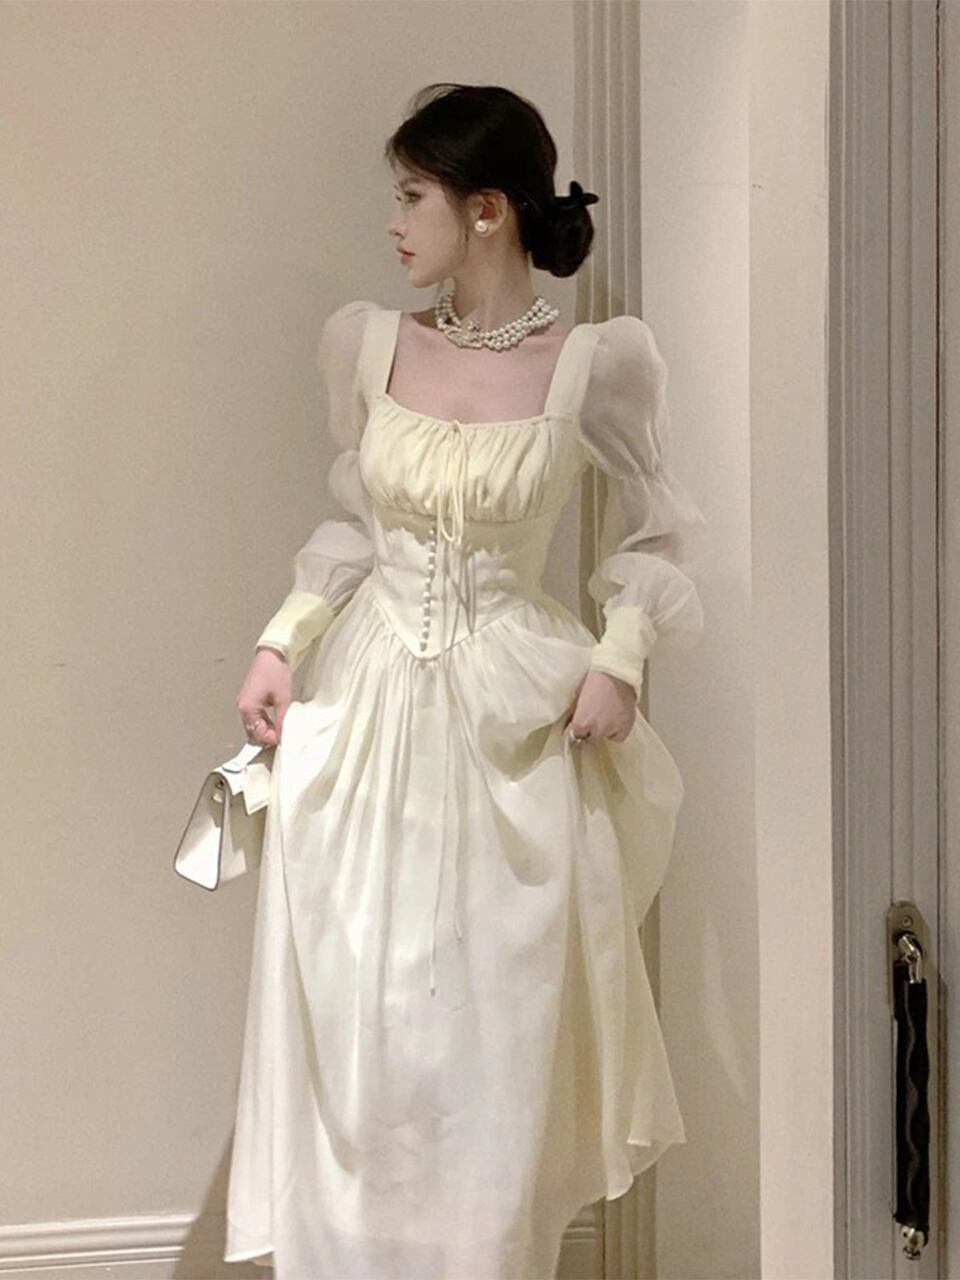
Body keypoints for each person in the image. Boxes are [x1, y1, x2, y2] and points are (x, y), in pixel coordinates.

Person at [224, 82, 707, 1280]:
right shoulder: (367, 344)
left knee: (499, 1027)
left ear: (486, 209)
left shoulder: (595, 364)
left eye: (413, 197)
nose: (394, 223)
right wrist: (283, 639)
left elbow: (658, 530)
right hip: (370, 711)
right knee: (367, 1018)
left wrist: (623, 654)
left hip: (515, 724)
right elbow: (356, 520)